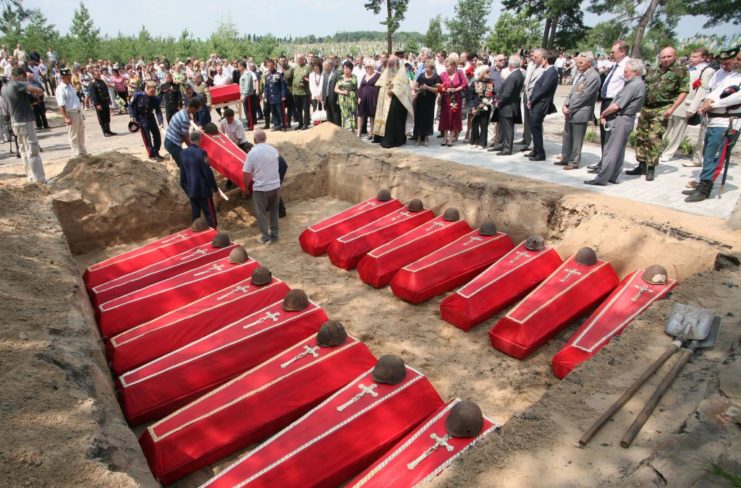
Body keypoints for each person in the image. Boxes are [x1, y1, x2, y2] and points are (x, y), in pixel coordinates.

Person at [684, 47, 740, 203]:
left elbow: (736, 97)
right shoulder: (730, 75)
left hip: (727, 122)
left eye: (737, 60)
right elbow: (715, 90)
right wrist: (709, 99)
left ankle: (705, 188)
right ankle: (703, 182)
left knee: (716, 156)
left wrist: (714, 104)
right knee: (708, 154)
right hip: (713, 120)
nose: (735, 62)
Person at [628, 47, 688, 181]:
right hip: (646, 108)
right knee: (641, 136)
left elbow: (683, 91)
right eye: (663, 57)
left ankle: (651, 167)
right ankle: (641, 164)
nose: (666, 59)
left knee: (654, 138)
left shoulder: (680, 71)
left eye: (669, 57)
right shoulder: (652, 69)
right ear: (659, 58)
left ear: (675, 56)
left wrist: (672, 108)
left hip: (662, 108)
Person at [584, 59, 647, 186]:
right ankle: (613, 176)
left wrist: (603, 113)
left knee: (611, 150)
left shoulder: (633, 85)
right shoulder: (638, 83)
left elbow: (616, 106)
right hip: (626, 119)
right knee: (618, 150)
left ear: (635, 72)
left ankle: (602, 178)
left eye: (626, 71)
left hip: (620, 118)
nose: (624, 74)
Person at [662, 48, 716, 165]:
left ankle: (668, 153)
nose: (691, 58)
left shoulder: (707, 71)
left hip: (687, 104)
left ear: (703, 58)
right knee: (666, 128)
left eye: (695, 57)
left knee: (678, 131)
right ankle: (660, 149)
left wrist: (693, 107)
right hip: (674, 103)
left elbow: (702, 90)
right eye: (691, 56)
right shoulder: (686, 68)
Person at [2, 67, 46, 183]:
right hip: (25, 121)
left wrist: (32, 98)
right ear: (19, 75)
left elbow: (22, 100)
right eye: (24, 77)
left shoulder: (4, 88)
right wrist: (32, 87)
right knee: (32, 150)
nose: (25, 80)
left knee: (23, 151)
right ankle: (40, 180)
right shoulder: (16, 84)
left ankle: (31, 177)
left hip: (15, 121)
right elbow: (39, 90)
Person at [557, 52, 600, 169]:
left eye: (581, 63)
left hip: (581, 112)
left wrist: (570, 108)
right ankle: (565, 157)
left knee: (576, 139)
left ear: (589, 63)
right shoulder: (579, 74)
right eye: (577, 63)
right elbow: (572, 92)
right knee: (567, 136)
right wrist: (565, 104)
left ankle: (574, 162)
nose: (578, 65)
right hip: (570, 110)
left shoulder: (593, 77)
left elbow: (584, 96)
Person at [243, 129, 281, 244]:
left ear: (254, 140)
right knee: (274, 211)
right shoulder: (273, 150)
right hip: (275, 186)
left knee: (261, 214)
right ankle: (274, 235)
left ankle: (266, 237)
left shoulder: (252, 153)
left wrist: (246, 189)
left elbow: (246, 173)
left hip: (261, 188)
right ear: (265, 139)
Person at [373, 54, 414, 148]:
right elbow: (381, 81)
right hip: (385, 100)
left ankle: (394, 141)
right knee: (386, 120)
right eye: (389, 63)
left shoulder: (401, 72)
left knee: (393, 120)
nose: (390, 65)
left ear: (397, 63)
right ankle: (381, 138)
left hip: (396, 101)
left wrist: (394, 91)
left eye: (392, 63)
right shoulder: (387, 70)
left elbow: (403, 85)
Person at [181, 131, 219, 228]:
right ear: (200, 139)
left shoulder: (183, 153)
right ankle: (213, 233)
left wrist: (186, 188)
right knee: (209, 214)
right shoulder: (201, 153)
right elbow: (208, 172)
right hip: (203, 190)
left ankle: (197, 233)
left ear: (190, 139)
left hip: (191, 190)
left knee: (195, 215)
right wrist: (215, 189)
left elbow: (182, 174)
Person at [526, 50, 559, 161]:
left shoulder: (551, 72)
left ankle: (540, 153)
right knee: (534, 128)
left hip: (541, 104)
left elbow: (542, 89)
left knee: (536, 128)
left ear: (544, 59)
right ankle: (536, 150)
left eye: (537, 57)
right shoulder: (547, 71)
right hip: (537, 103)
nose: (535, 59)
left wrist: (532, 100)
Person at [165, 97, 203, 190]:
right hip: (173, 144)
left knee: (183, 163)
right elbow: (185, 137)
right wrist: (193, 148)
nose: (197, 111)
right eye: (197, 109)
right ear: (193, 108)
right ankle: (185, 187)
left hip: (169, 141)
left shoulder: (181, 112)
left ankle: (185, 185)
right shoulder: (185, 119)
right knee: (184, 165)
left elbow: (185, 134)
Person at [490, 55, 525, 155]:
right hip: (509, 105)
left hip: (508, 106)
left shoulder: (514, 76)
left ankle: (507, 148)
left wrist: (498, 102)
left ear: (510, 65)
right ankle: (502, 145)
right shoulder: (518, 74)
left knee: (508, 129)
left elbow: (507, 93)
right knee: (504, 128)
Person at [129, 81, 165, 161]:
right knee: (147, 138)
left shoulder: (155, 99)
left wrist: (161, 122)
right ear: (147, 89)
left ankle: (156, 152)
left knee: (157, 136)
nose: (153, 93)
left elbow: (158, 111)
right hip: (141, 119)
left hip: (150, 117)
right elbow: (130, 105)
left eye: (154, 91)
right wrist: (132, 116)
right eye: (151, 91)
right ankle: (151, 153)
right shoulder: (138, 95)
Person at [56, 67, 88, 157]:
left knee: (81, 133)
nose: (69, 78)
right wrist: (66, 117)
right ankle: (76, 153)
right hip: (71, 113)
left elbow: (76, 100)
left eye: (69, 76)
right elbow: (61, 104)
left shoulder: (70, 86)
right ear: (62, 77)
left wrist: (81, 113)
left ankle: (83, 151)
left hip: (77, 111)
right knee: (73, 135)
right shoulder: (60, 89)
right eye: (67, 76)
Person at [517, 49, 544, 152]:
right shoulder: (531, 65)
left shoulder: (543, 68)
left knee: (535, 122)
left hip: (535, 98)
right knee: (527, 120)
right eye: (531, 55)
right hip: (526, 95)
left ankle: (534, 144)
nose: (532, 57)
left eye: (535, 56)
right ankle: (527, 140)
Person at [438, 57, 468, 146]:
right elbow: (438, 86)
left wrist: (455, 89)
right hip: (445, 99)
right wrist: (441, 93)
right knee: (445, 117)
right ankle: (444, 138)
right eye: (445, 66)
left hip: (455, 99)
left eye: (448, 66)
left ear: (454, 66)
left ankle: (451, 138)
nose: (446, 68)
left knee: (454, 117)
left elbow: (465, 84)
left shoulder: (459, 73)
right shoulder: (443, 74)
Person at [413, 60, 441, 146]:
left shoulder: (436, 77)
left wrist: (427, 88)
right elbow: (415, 87)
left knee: (428, 118)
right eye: (425, 67)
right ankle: (417, 138)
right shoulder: (421, 76)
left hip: (430, 101)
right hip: (420, 100)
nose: (425, 68)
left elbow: (438, 89)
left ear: (432, 68)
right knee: (418, 118)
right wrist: (420, 89)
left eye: (427, 67)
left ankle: (426, 137)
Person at [468, 65, 494, 148]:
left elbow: (492, 94)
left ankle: (482, 143)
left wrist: (489, 100)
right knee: (475, 125)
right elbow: (470, 96)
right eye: (487, 72)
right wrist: (472, 108)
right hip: (475, 106)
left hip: (486, 106)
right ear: (482, 73)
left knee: (484, 125)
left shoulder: (490, 83)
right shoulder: (474, 82)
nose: (489, 73)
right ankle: (474, 141)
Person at [88, 68, 115, 137]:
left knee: (107, 116)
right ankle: (105, 131)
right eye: (97, 75)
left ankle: (108, 130)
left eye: (99, 74)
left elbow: (106, 91)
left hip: (105, 101)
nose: (99, 75)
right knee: (102, 117)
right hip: (99, 103)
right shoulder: (92, 84)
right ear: (93, 75)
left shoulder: (102, 81)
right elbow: (93, 95)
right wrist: (97, 104)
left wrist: (109, 99)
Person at [357, 59, 380, 139]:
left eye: (369, 67)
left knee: (372, 116)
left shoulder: (378, 75)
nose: (367, 68)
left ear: (373, 67)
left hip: (373, 97)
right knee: (360, 115)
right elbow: (360, 87)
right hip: (363, 98)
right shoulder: (364, 76)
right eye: (366, 67)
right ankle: (359, 132)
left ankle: (371, 133)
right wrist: (359, 97)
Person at [289, 54, 312, 130]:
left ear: (303, 59)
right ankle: (300, 123)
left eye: (300, 58)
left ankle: (306, 124)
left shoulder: (308, 67)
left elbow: (311, 78)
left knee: (306, 108)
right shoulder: (294, 68)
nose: (299, 60)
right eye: (298, 59)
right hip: (296, 92)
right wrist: (293, 90)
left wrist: (306, 81)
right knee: (298, 109)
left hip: (305, 92)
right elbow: (293, 79)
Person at [335, 61, 358, 132]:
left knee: (353, 113)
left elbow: (356, 88)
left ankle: (353, 130)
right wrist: (342, 92)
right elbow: (335, 89)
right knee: (345, 114)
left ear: (351, 69)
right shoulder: (340, 77)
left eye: (347, 68)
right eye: (344, 68)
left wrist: (358, 98)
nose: (345, 70)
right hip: (343, 98)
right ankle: (346, 131)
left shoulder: (354, 77)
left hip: (352, 98)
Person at [264, 59, 287, 131]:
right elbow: (266, 87)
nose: (270, 67)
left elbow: (283, 86)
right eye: (268, 65)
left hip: (278, 96)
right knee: (273, 112)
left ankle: (283, 125)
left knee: (280, 111)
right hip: (270, 97)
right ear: (267, 66)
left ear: (274, 65)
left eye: (271, 65)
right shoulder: (267, 76)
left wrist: (283, 96)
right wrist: (265, 96)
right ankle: (276, 125)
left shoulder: (279, 74)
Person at [238, 60, 257, 131]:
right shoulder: (243, 74)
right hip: (246, 95)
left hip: (248, 95)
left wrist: (244, 94)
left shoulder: (248, 74)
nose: (238, 68)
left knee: (249, 111)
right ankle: (250, 124)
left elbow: (247, 86)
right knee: (247, 111)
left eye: (239, 66)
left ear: (242, 66)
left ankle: (250, 125)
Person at [322, 60, 341, 126]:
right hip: (326, 98)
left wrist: (338, 99)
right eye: (323, 66)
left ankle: (337, 130)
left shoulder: (337, 74)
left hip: (334, 98)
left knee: (336, 114)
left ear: (330, 66)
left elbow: (340, 87)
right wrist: (323, 97)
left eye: (325, 66)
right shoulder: (325, 74)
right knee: (329, 115)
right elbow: (324, 86)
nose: (324, 68)